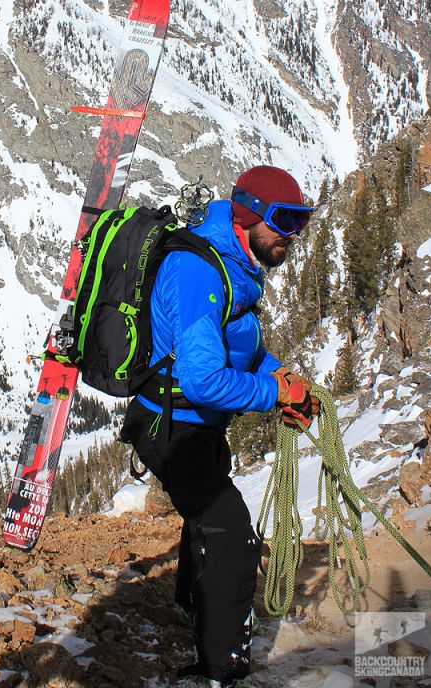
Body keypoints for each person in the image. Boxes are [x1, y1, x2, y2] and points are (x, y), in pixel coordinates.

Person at [120, 165, 320, 687]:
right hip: (171, 424)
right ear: (248, 213)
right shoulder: (199, 272)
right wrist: (276, 394)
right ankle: (217, 674)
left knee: (205, 515)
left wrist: (275, 370)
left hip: (197, 423)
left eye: (301, 220)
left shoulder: (234, 260)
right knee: (232, 535)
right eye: (284, 220)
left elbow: (235, 340)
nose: (292, 235)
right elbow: (205, 378)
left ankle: (191, 605)